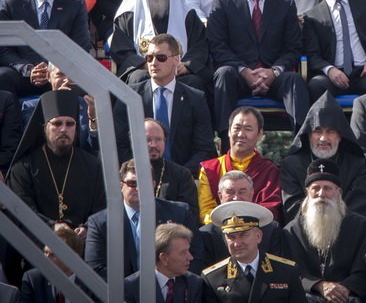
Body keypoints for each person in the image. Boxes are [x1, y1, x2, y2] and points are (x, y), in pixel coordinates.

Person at [207, 0, 311, 135]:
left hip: (274, 77)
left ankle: (301, 147)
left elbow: (293, 48)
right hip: (238, 76)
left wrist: (274, 72)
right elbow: (218, 46)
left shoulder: (285, 5)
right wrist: (244, 71)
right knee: (223, 74)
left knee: (294, 80)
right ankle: (224, 146)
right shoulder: (223, 3)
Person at [112, 34, 217, 171]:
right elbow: (118, 145)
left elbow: (204, 148)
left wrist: (179, 175)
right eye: (149, 58)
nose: (153, 63)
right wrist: (140, 171)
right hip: (138, 177)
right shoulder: (129, 97)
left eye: (160, 58)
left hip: (183, 178)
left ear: (176, 60)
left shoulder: (195, 99)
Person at [6, 90, 104, 235]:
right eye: (57, 123)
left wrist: (87, 228)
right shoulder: (23, 167)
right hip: (38, 245)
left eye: (70, 124)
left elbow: (101, 207)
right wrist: (52, 227)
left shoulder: (92, 166)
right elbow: (21, 209)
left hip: (83, 246)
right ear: (45, 127)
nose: (64, 129)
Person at [110, 0, 210, 89]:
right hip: (145, 72)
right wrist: (147, 65)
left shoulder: (187, 15)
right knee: (138, 78)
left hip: (179, 75)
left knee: (194, 83)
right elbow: (121, 50)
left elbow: (199, 47)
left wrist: (185, 66)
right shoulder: (127, 15)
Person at [84, 158, 199, 279]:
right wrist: (131, 290)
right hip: (121, 293)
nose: (138, 188)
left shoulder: (179, 213)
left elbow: (196, 257)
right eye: (133, 183)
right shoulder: (100, 223)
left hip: (171, 290)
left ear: (154, 185)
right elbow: (96, 268)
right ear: (121, 185)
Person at [0, 0, 91, 98]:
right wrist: (27, 69)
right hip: (25, 74)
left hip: (62, 73)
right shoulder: (11, 5)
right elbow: (4, 50)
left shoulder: (76, 5)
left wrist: (54, 70)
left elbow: (81, 46)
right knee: (3, 77)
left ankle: (70, 121)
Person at [284, 159, 366, 301]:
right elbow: (292, 271)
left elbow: (365, 269)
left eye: (327, 188)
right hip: (308, 295)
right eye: (315, 188)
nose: (321, 194)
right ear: (308, 192)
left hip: (347, 295)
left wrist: (344, 288)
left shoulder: (359, 225)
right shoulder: (293, 230)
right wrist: (319, 285)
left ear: (338, 192)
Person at [281, 92, 366, 222]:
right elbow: (291, 209)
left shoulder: (355, 165)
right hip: (303, 234)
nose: (323, 138)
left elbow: (359, 207)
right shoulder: (291, 165)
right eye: (318, 131)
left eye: (330, 131)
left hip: (345, 233)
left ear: (340, 136)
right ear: (308, 135)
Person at [202, 201, 305, 302]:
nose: (237, 243)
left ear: (258, 236)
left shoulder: (286, 271)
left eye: (243, 235)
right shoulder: (213, 278)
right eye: (231, 237)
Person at [193, 170, 293, 273]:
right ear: (220, 196)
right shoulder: (206, 234)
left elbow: (279, 270)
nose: (236, 197)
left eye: (242, 192)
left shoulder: (270, 229)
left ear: (252, 193)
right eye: (230, 192)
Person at [198, 106, 281, 224]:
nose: (241, 134)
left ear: (259, 134)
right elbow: (206, 211)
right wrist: (227, 226)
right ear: (228, 131)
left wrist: (244, 228)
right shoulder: (210, 168)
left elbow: (269, 209)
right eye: (236, 128)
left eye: (248, 129)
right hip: (218, 232)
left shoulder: (269, 170)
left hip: (255, 233)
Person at [122, 223, 206, 303]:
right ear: (164, 258)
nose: (190, 257)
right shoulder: (132, 287)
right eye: (183, 253)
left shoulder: (193, 283)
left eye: (188, 250)